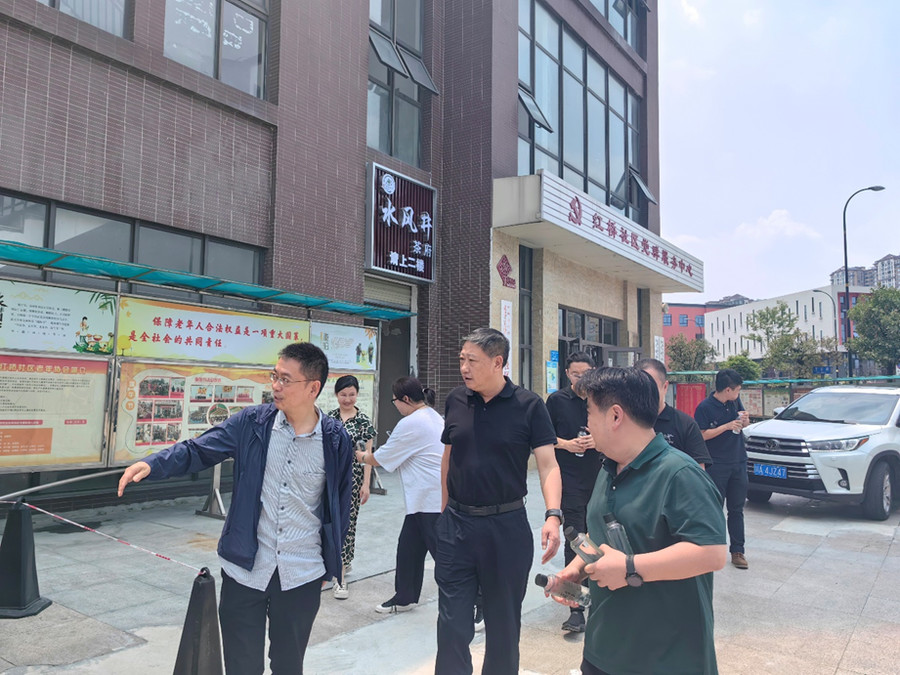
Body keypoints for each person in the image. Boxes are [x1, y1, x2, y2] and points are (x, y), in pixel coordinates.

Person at [117, 342, 353, 675]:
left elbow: (340, 504)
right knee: (242, 667)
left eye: (286, 379)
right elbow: (199, 450)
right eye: (275, 376)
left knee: (288, 666)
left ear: (313, 388)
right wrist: (154, 464)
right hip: (245, 569)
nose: (276, 385)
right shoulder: (251, 424)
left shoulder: (335, 439)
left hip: (302, 573)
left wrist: (331, 564)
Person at [551, 367, 727, 675]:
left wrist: (630, 567)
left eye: (590, 413)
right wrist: (577, 568)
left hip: (665, 658)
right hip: (603, 649)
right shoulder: (608, 468)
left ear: (615, 416)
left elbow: (711, 553)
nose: (586, 424)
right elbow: (602, 532)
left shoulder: (679, 474)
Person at [436, 327, 562, 675]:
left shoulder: (529, 405)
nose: (464, 367)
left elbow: (548, 465)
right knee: (451, 624)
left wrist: (553, 515)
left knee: (503, 626)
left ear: (498, 363)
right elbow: (448, 459)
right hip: (456, 526)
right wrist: (444, 512)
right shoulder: (456, 400)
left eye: (472, 361)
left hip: (505, 528)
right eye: (462, 359)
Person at [356, 376, 443, 614]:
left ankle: (478, 605)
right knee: (408, 550)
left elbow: (380, 458)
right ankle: (405, 597)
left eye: (394, 401)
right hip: (424, 501)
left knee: (447, 560)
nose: (395, 406)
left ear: (405, 399)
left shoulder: (412, 422)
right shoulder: (433, 416)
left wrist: (360, 455)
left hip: (432, 502)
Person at [544, 351, 601, 634]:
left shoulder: (601, 399)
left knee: (599, 538)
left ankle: (598, 597)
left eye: (585, 374)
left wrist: (597, 441)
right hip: (570, 481)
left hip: (600, 479)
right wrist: (567, 444)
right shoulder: (556, 402)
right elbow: (543, 439)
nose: (581, 379)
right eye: (576, 374)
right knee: (576, 540)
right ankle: (576, 608)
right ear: (567, 374)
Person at [694, 368, 751, 569]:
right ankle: (710, 550)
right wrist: (725, 427)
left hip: (738, 461)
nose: (738, 393)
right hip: (716, 464)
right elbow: (701, 435)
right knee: (714, 509)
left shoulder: (735, 402)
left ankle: (738, 551)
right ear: (727, 389)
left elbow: (743, 424)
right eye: (737, 390)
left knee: (736, 509)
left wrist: (745, 421)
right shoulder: (705, 407)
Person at [327, 374, 376, 598]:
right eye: (343, 394)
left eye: (352, 394)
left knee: (347, 524)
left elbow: (367, 456)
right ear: (336, 395)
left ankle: (340, 575)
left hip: (354, 480)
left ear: (357, 395)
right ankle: (336, 562)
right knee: (329, 522)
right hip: (330, 479)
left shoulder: (364, 422)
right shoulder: (328, 419)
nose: (347, 399)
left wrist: (366, 484)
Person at [636, 358, 713, 468]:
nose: (646, 393)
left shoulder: (685, 425)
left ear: (665, 387)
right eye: (640, 387)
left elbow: (698, 472)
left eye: (651, 387)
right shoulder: (623, 423)